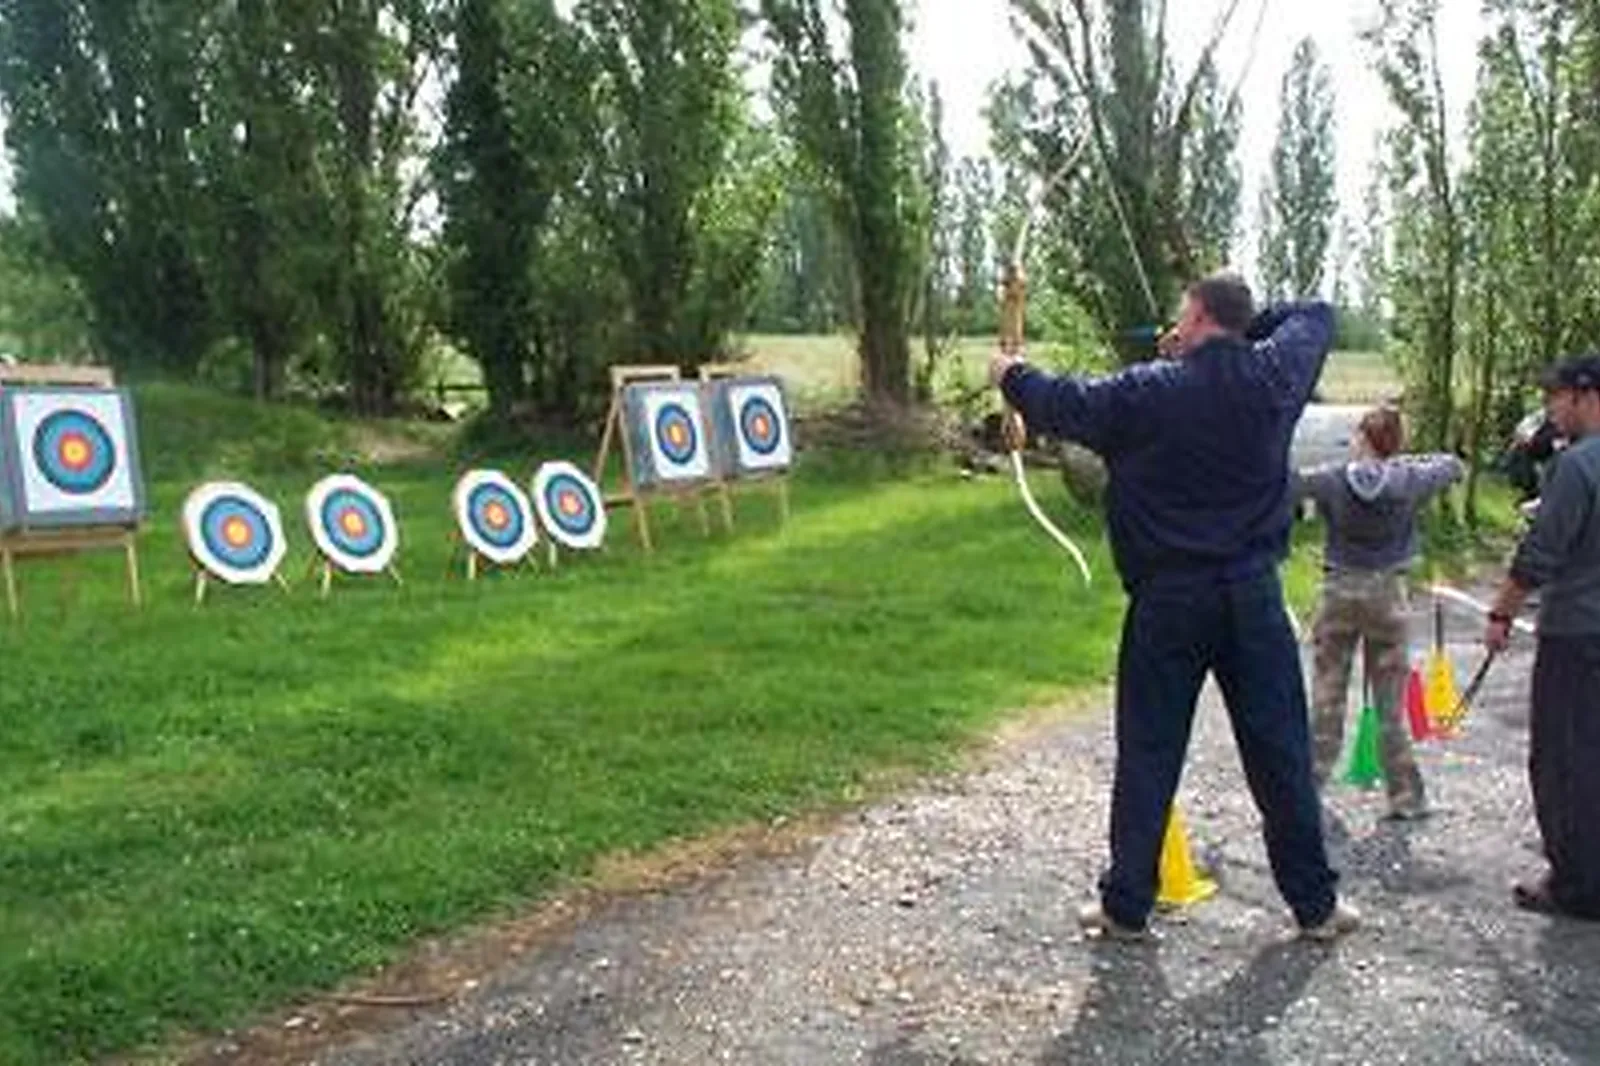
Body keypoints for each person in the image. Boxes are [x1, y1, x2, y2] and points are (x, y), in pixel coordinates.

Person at [990, 273, 1359, 942]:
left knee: (1149, 752)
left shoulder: (1146, 391)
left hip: (1169, 602)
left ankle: (1126, 906)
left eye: (1184, 316)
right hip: (1253, 596)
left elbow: (1062, 402)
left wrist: (1010, 373)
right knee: (1279, 751)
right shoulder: (1275, 373)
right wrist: (1246, 327)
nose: (1176, 327)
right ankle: (1317, 908)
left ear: (1195, 318)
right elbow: (1316, 313)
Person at [1294, 406, 1464, 820]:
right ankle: (1405, 797)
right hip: (1388, 594)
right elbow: (1451, 465)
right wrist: (1406, 461)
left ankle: (1309, 790)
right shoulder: (1408, 479)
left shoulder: (1334, 478)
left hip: (1339, 591)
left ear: (1361, 438)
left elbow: (1288, 484)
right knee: (1391, 701)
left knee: (1327, 694)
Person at [1484, 352, 1600, 922]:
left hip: (1578, 633)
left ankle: (1577, 884)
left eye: (1556, 398)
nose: (1551, 410)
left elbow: (1540, 554)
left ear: (1584, 394)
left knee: (1564, 757)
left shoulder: (1578, 466)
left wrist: (1501, 612)